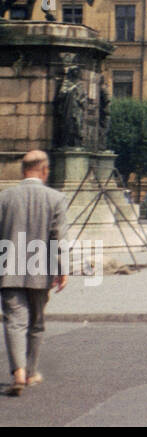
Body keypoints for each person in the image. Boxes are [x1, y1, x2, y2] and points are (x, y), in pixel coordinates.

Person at [1, 150, 69, 396]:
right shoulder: (56, 198)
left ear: (23, 171)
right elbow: (57, 238)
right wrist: (62, 269)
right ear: (45, 170)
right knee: (36, 324)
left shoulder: (5, 198)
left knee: (14, 322)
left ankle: (17, 372)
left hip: (8, 269)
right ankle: (30, 373)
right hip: (41, 270)